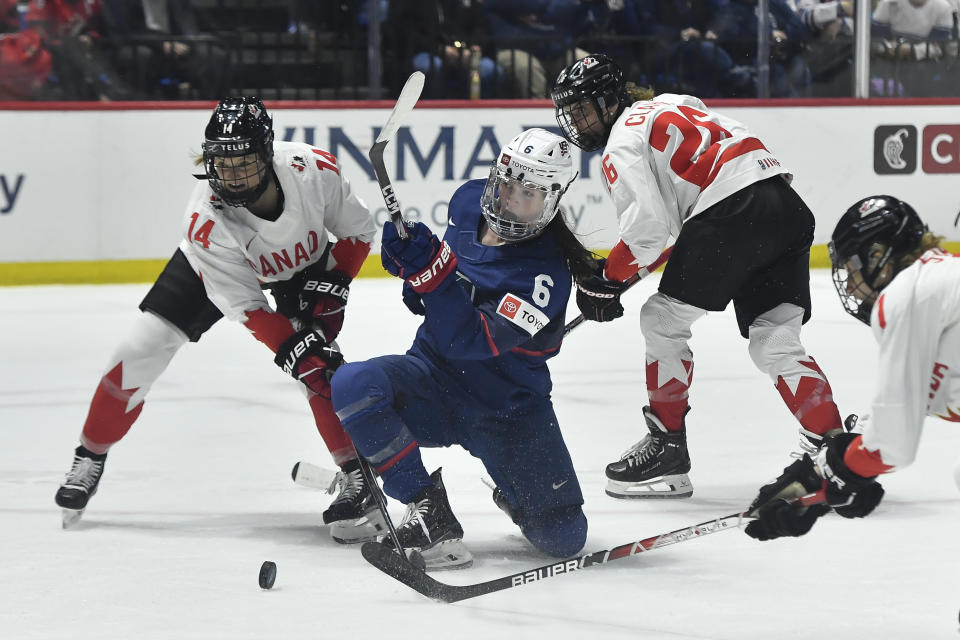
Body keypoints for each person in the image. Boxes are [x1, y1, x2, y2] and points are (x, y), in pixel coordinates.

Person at [54, 97, 383, 544]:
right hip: (213, 268)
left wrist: (335, 284)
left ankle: (356, 475)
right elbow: (246, 305)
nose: (230, 176)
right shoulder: (205, 220)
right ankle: (90, 454)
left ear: (267, 154)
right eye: (221, 165)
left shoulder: (314, 170)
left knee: (321, 368)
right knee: (137, 353)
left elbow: (358, 232)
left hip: (302, 271)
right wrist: (290, 349)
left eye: (243, 163)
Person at [550, 54, 845, 499]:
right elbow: (676, 223)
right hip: (783, 205)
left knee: (660, 321)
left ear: (610, 101)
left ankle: (667, 447)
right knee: (775, 339)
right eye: (569, 115)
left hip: (731, 211)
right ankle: (834, 447)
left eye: (583, 110)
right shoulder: (673, 103)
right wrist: (616, 275)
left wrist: (605, 280)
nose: (578, 123)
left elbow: (647, 233)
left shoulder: (620, 143)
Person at [329, 128, 595, 570]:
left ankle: (520, 495)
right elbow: (424, 303)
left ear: (551, 200)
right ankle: (427, 508)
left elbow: (470, 339)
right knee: (353, 383)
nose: (510, 200)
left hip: (508, 411)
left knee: (564, 537)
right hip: (431, 380)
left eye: (527, 195)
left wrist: (433, 276)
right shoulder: (468, 203)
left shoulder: (543, 279)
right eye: (506, 185)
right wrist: (412, 265)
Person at [744, 195, 954, 541]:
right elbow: (907, 406)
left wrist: (823, 476)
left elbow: (892, 444)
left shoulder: (907, 296)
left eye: (853, 268)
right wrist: (839, 468)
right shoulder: (937, 286)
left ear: (878, 257)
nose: (852, 285)